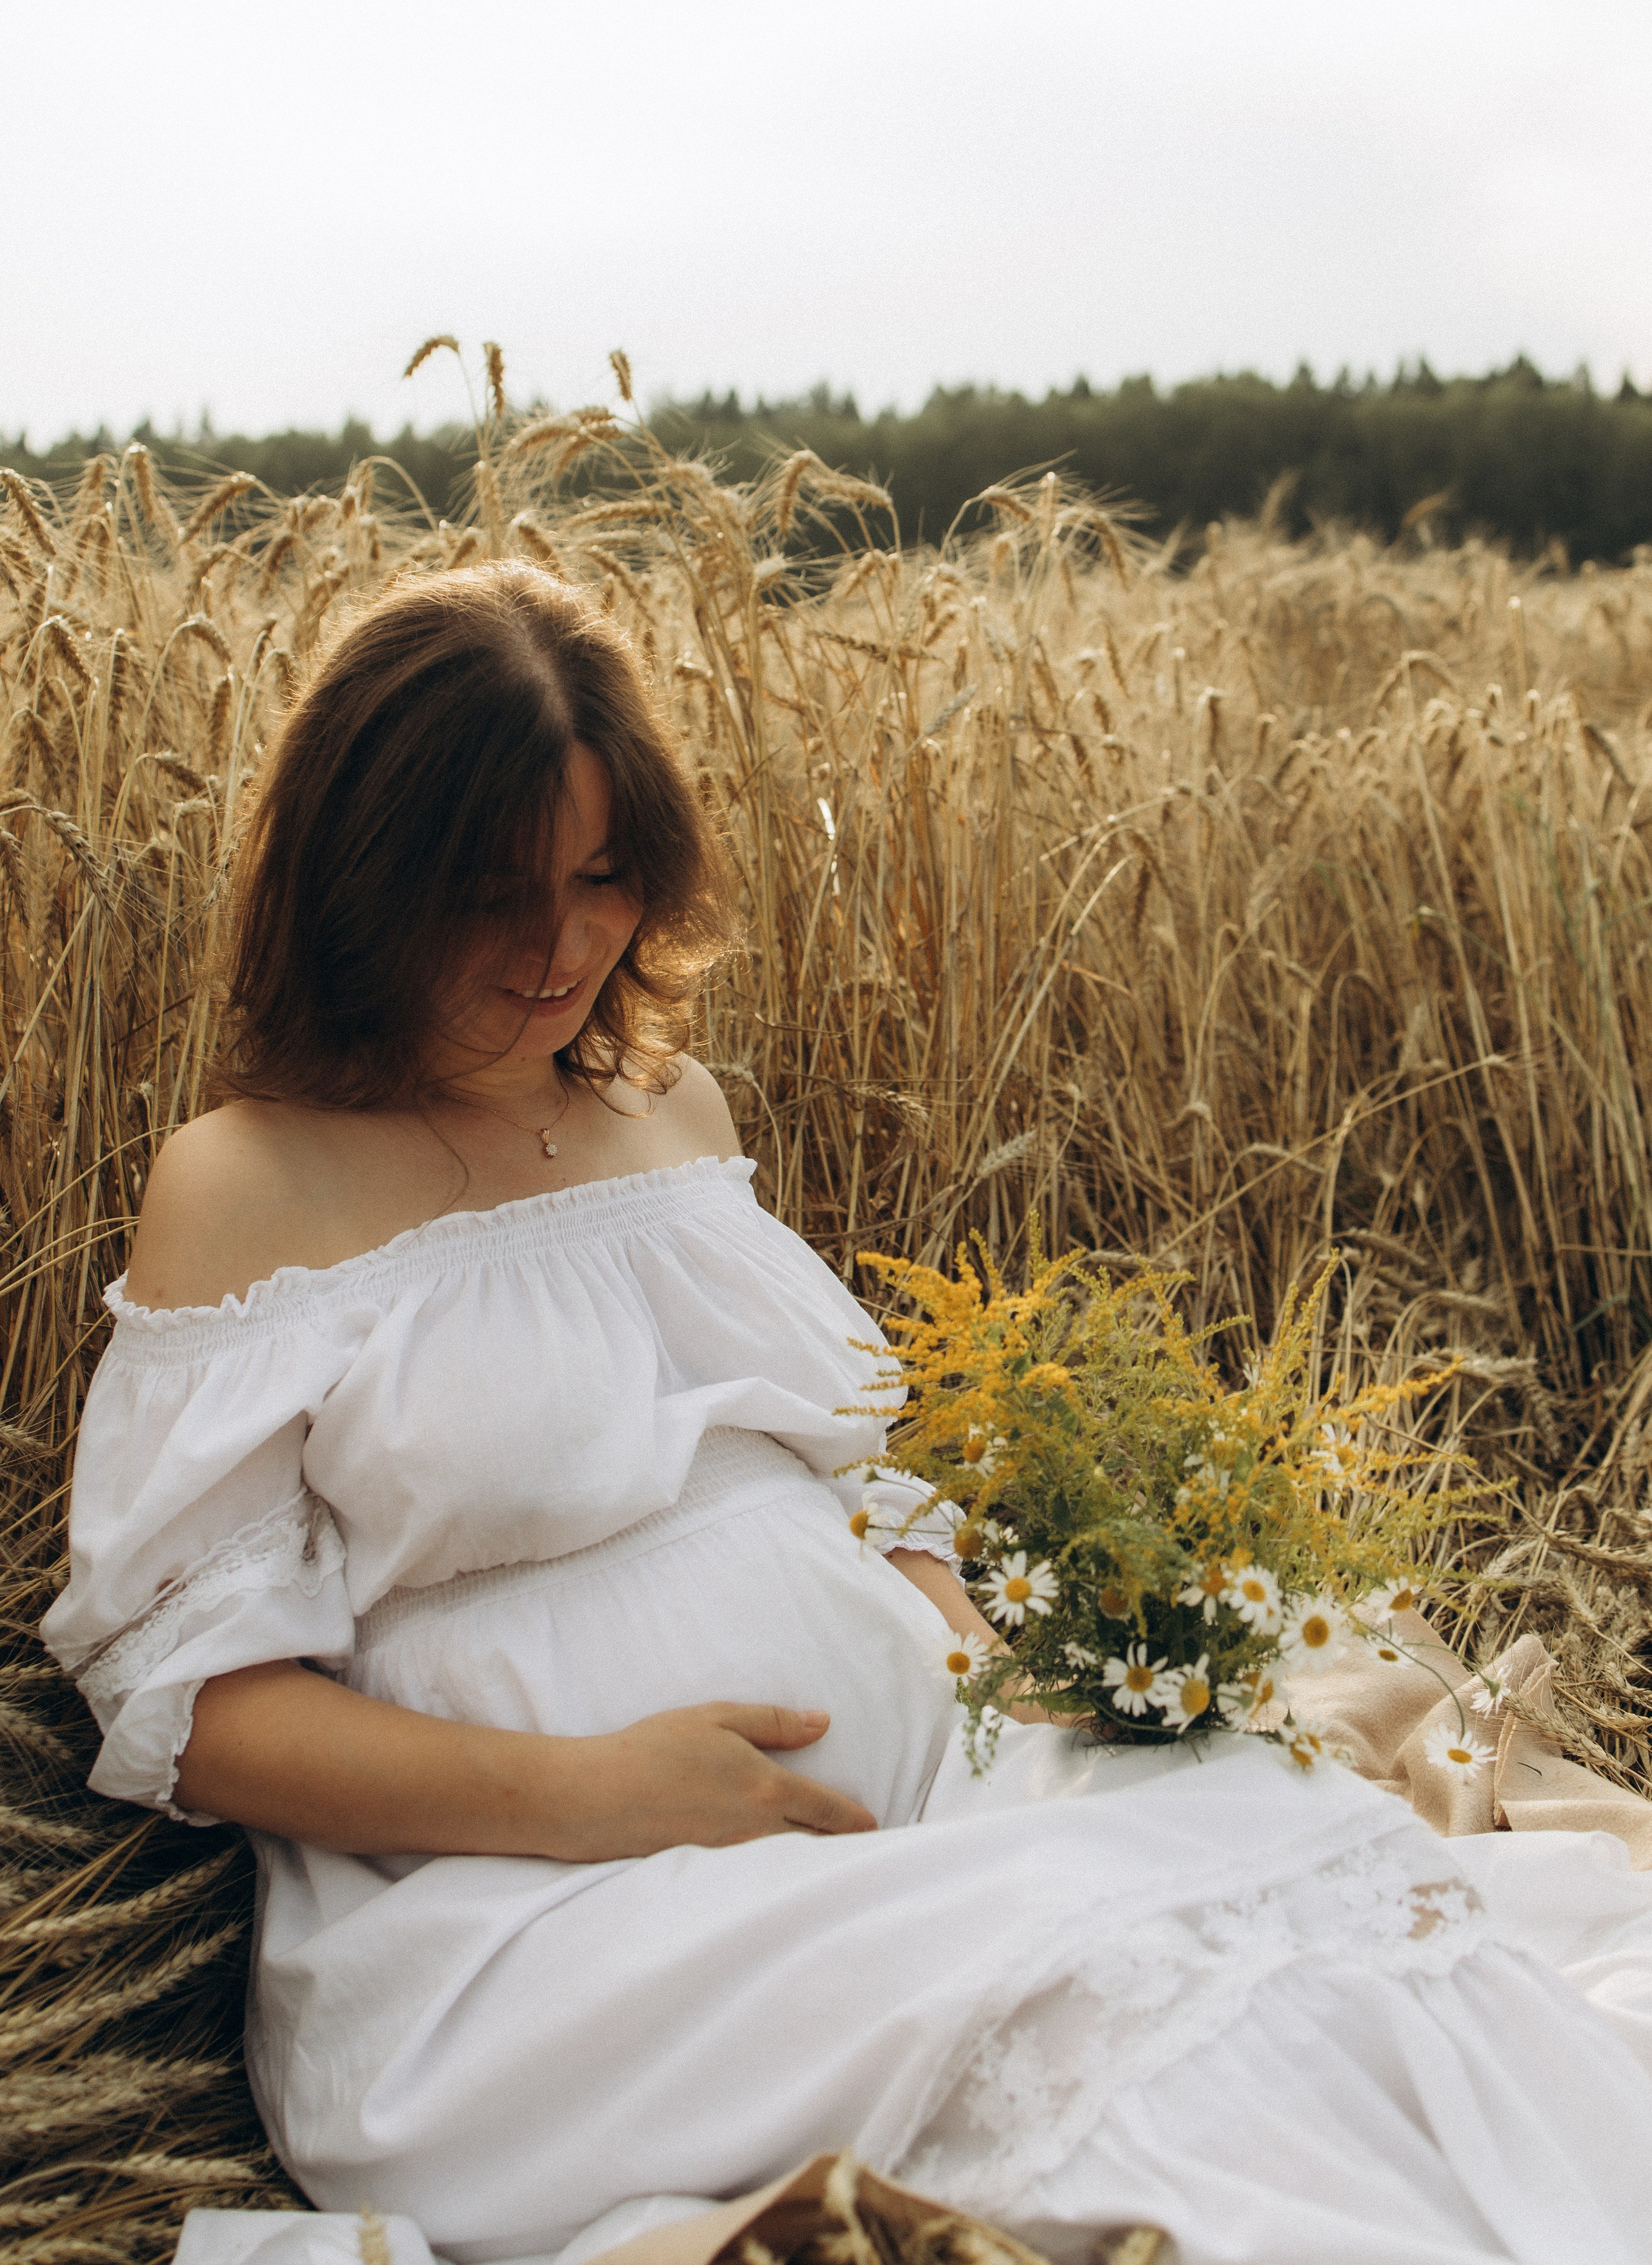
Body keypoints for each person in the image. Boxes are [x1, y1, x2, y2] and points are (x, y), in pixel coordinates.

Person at [43, 565, 1652, 2265]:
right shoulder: (248, 1184)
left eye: (602, 879)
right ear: (364, 887)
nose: (560, 948)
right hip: (545, 1911)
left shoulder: (675, 1114)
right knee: (1136, 2038)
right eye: (494, 893)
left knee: (1332, 1902)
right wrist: (594, 1792)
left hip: (927, 1784)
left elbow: (865, 1468)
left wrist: (987, 1667)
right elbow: (197, 1708)